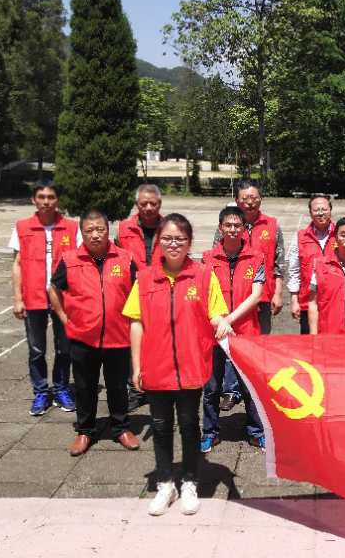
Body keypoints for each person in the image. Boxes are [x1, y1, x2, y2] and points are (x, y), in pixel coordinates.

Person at [123, 214, 232, 516]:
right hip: (156, 366)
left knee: (189, 425)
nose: (174, 244)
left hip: (190, 367)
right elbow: (136, 323)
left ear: (189, 243)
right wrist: (136, 366)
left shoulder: (203, 275)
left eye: (180, 239)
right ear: (159, 241)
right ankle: (165, 483)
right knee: (160, 426)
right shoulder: (145, 278)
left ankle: (189, 482)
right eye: (168, 239)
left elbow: (214, 312)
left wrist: (221, 321)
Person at [48, 209, 140, 456]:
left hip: (118, 337)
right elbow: (54, 289)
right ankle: (85, 430)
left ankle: (121, 427)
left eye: (100, 229)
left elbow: (139, 291)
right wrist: (65, 318)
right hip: (83, 338)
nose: (96, 235)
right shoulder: (69, 260)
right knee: (84, 387)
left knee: (118, 386)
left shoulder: (125, 258)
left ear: (108, 231)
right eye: (89, 230)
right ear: (82, 233)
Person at [9, 181, 81, 416]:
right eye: (41, 197)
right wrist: (17, 298)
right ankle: (41, 391)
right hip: (33, 297)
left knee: (65, 348)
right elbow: (17, 264)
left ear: (57, 200)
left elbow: (81, 264)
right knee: (36, 349)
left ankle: (61, 388)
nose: (46, 201)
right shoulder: (22, 227)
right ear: (34, 200)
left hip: (64, 298)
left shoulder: (71, 227)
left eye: (51, 197)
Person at [201, 206, 267, 452]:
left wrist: (228, 320)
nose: (232, 229)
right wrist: (219, 321)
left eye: (237, 225)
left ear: (244, 228)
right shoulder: (207, 258)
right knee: (212, 388)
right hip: (214, 333)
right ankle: (210, 432)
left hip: (245, 332)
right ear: (220, 228)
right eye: (228, 225)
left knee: (250, 386)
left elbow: (256, 295)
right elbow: (203, 295)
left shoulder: (256, 257)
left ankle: (256, 432)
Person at [116, 183, 164, 412]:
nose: (148, 208)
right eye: (144, 203)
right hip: (131, 293)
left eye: (153, 203)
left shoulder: (169, 226)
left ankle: (156, 387)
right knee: (132, 342)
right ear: (137, 204)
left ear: (160, 204)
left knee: (158, 342)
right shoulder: (124, 228)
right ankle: (135, 389)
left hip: (161, 292)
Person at [234, 181, 285, 334]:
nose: (250, 202)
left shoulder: (272, 225)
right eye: (245, 199)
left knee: (261, 340)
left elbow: (279, 264)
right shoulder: (229, 226)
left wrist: (278, 293)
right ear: (236, 200)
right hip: (235, 295)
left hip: (264, 296)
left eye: (254, 198)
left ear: (261, 199)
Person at [287, 195, 335, 334]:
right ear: (310, 212)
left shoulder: (341, 234)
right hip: (308, 303)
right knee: (309, 344)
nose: (320, 213)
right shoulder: (300, 237)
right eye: (316, 210)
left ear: (330, 210)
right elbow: (294, 271)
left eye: (324, 209)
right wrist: (294, 300)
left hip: (335, 302)